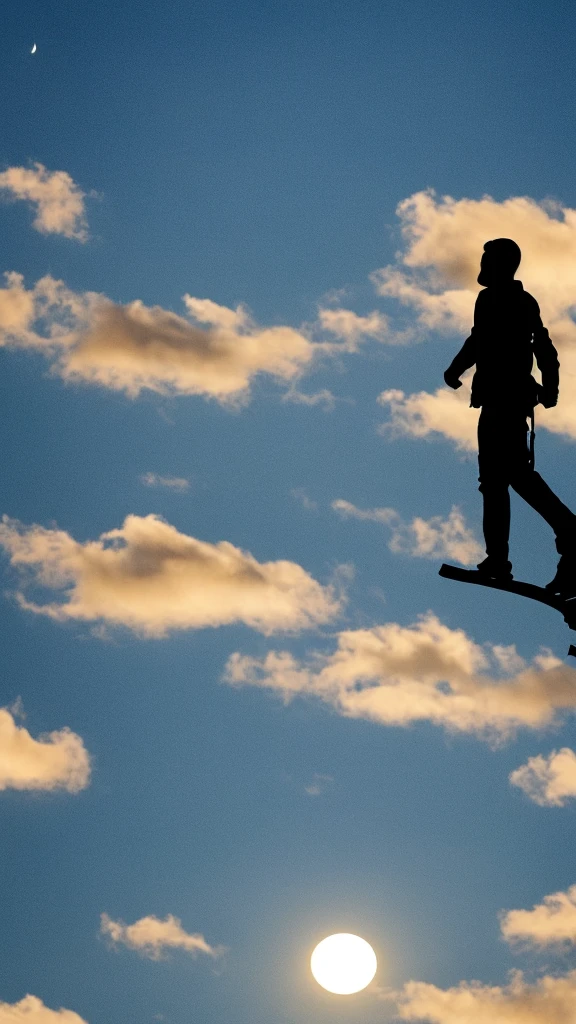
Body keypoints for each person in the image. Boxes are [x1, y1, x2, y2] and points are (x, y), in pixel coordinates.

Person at [443, 237, 576, 597]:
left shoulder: (512, 301)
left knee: (510, 478)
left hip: (508, 400)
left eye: (487, 260)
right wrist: (456, 368)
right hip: (499, 399)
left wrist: (551, 388)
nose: (482, 267)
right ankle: (500, 558)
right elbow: (480, 341)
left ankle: (568, 534)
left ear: (501, 264)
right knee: (499, 481)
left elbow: (542, 346)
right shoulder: (494, 300)